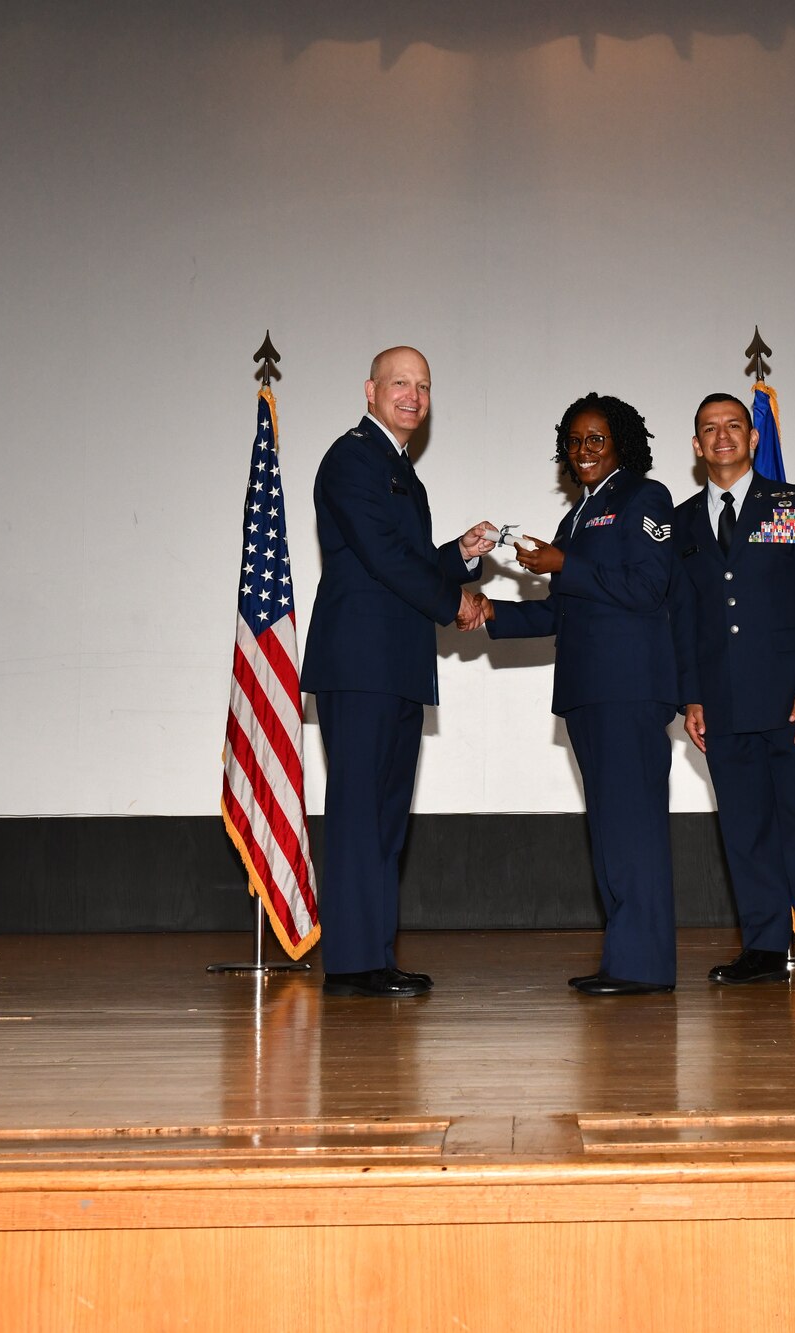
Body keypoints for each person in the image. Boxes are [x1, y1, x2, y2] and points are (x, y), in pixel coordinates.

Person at [300, 346, 497, 998]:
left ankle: (373, 955)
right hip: (361, 663)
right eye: (400, 383)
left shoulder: (399, 469)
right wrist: (455, 599)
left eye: (424, 386)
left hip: (394, 664)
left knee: (385, 817)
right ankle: (355, 964)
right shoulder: (352, 457)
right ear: (371, 389)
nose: (413, 395)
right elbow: (383, 558)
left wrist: (459, 558)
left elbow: (401, 560)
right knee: (361, 813)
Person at [471, 393, 681, 995]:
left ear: (620, 443)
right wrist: (491, 613)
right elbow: (560, 615)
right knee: (612, 829)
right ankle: (626, 959)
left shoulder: (647, 498)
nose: (584, 450)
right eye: (574, 440)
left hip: (630, 689)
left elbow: (648, 587)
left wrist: (565, 562)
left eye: (597, 439)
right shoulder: (577, 517)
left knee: (634, 827)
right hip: (588, 693)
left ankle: (644, 966)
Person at [670, 392, 795, 989]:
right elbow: (687, 617)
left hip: (794, 703)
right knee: (744, 829)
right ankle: (765, 949)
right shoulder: (682, 522)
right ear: (696, 446)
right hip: (722, 703)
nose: (722, 436)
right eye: (709, 429)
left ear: (752, 437)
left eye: (733, 426)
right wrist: (691, 697)